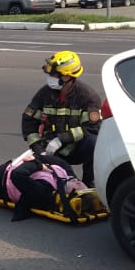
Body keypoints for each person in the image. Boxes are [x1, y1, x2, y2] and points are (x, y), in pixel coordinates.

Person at [21, 50, 103, 186]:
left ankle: (90, 185)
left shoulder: (88, 96)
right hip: (50, 148)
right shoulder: (44, 93)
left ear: (67, 77)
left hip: (76, 147)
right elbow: (28, 119)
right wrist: (37, 147)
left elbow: (91, 128)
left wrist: (61, 140)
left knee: (94, 143)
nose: (51, 77)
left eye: (54, 74)